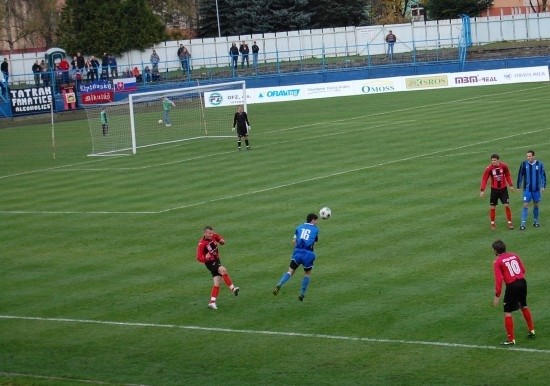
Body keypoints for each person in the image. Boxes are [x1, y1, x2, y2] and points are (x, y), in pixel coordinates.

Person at [491, 239, 535, 345]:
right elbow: (523, 270)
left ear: (496, 251)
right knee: (523, 305)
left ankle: (511, 339)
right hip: (522, 282)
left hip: (512, 285)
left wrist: (497, 295)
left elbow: (499, 279)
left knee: (507, 312)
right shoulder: (514, 255)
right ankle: (531, 330)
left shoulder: (498, 261)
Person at [273, 213, 320, 301]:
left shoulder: (298, 227)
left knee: (290, 271)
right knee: (307, 274)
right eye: (316, 220)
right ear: (313, 220)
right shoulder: (315, 229)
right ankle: (302, 293)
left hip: (297, 252)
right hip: (308, 254)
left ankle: (280, 283)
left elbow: (294, 241)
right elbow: (315, 240)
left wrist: (297, 250)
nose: (317, 222)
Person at [196, 226, 240, 310]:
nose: (211, 234)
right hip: (210, 262)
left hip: (217, 260)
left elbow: (219, 239)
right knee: (223, 270)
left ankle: (212, 302)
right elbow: (198, 257)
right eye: (209, 233)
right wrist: (206, 258)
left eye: (212, 233)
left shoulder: (213, 235)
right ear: (205, 233)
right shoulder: (202, 243)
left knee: (217, 282)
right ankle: (233, 289)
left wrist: (222, 241)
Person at [480, 154, 515, 230]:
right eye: (492, 160)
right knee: (493, 207)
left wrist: (511, 185)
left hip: (503, 189)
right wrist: (482, 190)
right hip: (494, 190)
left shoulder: (504, 166)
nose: (493, 162)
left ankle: (509, 222)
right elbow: (484, 179)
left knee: (506, 205)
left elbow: (507, 175)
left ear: (498, 160)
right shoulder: (489, 168)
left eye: (494, 160)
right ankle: (492, 223)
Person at [516, 150, 546, 230]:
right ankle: (523, 224)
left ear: (534, 156)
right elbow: (520, 175)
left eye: (530, 156)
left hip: (536, 189)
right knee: (525, 204)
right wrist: (518, 186)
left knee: (536, 204)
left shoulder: (539, 164)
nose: (528, 158)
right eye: (527, 156)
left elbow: (543, 175)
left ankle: (535, 221)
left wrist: (543, 186)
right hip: (527, 189)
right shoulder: (523, 164)